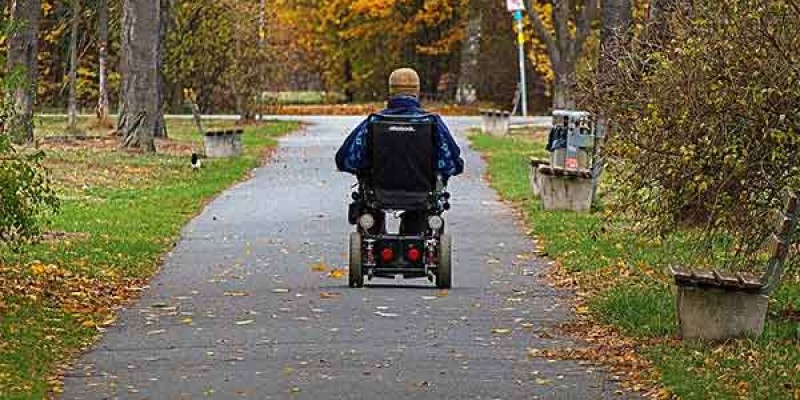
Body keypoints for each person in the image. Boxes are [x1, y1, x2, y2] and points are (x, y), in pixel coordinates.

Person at [336, 67, 464, 234]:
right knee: (424, 212)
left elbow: (345, 159)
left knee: (367, 207)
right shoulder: (432, 123)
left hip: (378, 193)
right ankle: (414, 232)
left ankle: (373, 239)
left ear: (391, 91)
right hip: (422, 193)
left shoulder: (373, 122)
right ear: (417, 91)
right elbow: (451, 163)